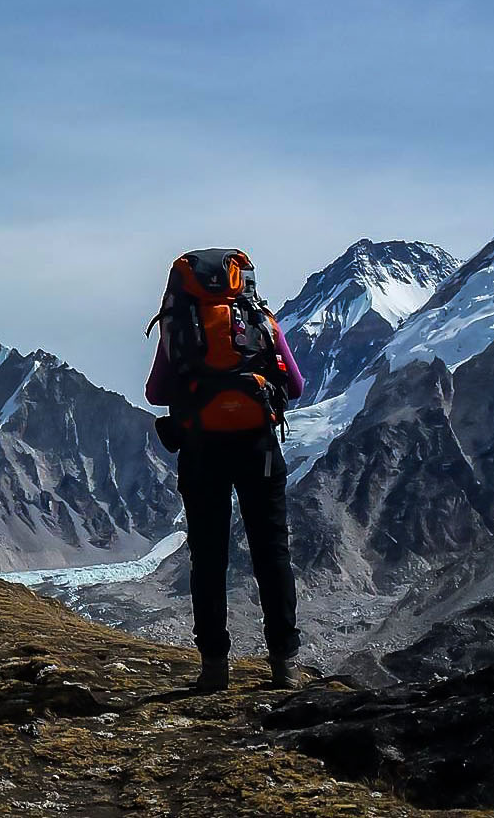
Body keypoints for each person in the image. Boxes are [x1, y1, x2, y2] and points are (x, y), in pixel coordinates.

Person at [144, 248, 306, 692]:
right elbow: (294, 385)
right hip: (259, 449)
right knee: (272, 553)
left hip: (201, 451)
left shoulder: (178, 326)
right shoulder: (260, 321)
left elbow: (155, 392)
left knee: (208, 558)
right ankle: (284, 666)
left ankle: (214, 668)